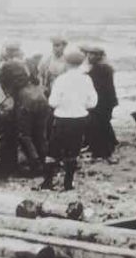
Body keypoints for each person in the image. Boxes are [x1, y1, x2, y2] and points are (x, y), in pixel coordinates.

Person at [41, 47, 97, 191]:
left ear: (66, 63)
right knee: (73, 152)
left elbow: (52, 102)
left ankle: (47, 182)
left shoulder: (61, 79)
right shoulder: (87, 79)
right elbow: (93, 102)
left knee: (53, 151)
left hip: (61, 119)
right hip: (79, 119)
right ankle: (68, 183)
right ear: (81, 62)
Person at [0, 59, 49, 175]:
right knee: (40, 134)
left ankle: (35, 164)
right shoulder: (28, 76)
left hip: (26, 103)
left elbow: (8, 94)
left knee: (24, 135)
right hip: (41, 100)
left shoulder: (9, 77)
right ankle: (45, 161)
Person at [83, 46, 118, 160]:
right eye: (88, 54)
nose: (88, 56)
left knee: (98, 126)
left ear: (98, 56)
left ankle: (100, 152)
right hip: (107, 101)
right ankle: (107, 150)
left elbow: (96, 87)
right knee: (104, 125)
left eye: (92, 54)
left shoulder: (98, 69)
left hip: (101, 102)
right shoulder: (105, 67)